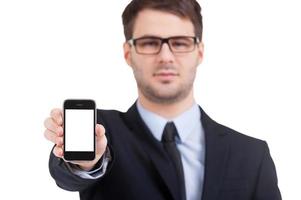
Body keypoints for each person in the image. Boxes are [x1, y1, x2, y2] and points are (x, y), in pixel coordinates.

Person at [44, 0, 282, 199]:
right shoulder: (102, 132)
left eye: (180, 43)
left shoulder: (251, 155)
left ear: (199, 52)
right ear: (128, 53)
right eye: (150, 43)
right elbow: (70, 174)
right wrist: (86, 161)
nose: (166, 56)